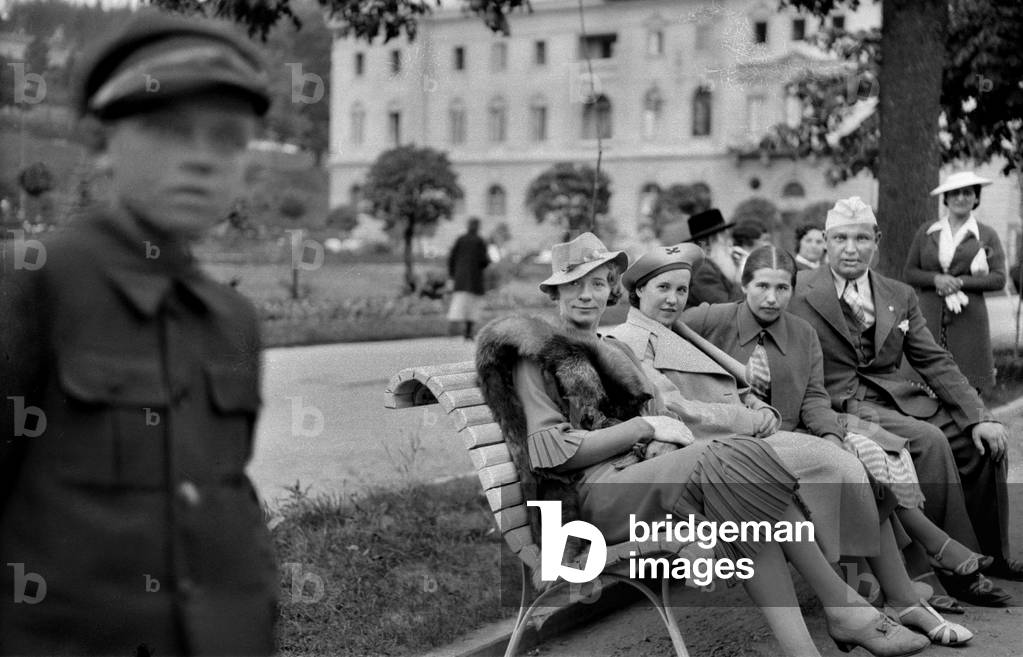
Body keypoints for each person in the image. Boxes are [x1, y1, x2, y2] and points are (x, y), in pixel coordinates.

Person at [475, 232, 928, 657]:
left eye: (597, 283)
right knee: (735, 459)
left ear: (612, 288)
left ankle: (811, 643)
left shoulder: (613, 351)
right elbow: (550, 451)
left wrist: (655, 438)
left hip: (640, 477)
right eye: (573, 286)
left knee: (748, 494)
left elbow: (659, 421)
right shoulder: (534, 355)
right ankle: (845, 611)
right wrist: (645, 431)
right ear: (554, 294)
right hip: (585, 501)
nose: (587, 295)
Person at [0, 12, 277, 655]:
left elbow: (221, 491)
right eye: (168, 129)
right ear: (100, 144)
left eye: (230, 139)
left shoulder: (231, 320)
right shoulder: (31, 286)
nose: (203, 160)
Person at [606, 244, 971, 647]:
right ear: (638, 291)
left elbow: (737, 388)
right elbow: (669, 406)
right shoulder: (629, 339)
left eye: (681, 289)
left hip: (742, 440)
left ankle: (893, 597)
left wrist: (759, 409)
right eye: (663, 288)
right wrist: (753, 418)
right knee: (837, 466)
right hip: (712, 450)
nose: (674, 299)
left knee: (850, 465)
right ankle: (880, 599)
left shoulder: (681, 331)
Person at [685, 244, 999, 619]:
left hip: (796, 434)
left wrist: (832, 438)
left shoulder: (801, 333)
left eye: (782, 288)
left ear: (792, 289)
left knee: (864, 455)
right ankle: (925, 554)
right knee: (848, 469)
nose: (772, 298)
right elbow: (661, 321)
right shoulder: (712, 319)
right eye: (762, 286)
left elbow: (815, 398)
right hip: (740, 445)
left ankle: (881, 578)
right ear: (744, 284)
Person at [787, 196, 1022, 600]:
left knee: (978, 440)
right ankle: (954, 569)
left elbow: (933, 360)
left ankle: (991, 555)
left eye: (861, 238)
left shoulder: (898, 293)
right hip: (838, 407)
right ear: (825, 241)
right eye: (840, 238)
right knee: (929, 441)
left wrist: (980, 414)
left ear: (876, 241)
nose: (850, 248)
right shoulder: (797, 291)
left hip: (895, 399)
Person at [903, 171, 1007, 393]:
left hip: (969, 321)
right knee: (924, 385)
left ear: (976, 198)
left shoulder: (986, 235)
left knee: (966, 387)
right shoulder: (927, 232)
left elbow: (999, 278)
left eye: (968, 193)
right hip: (929, 315)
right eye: (955, 193)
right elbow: (910, 272)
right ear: (946, 199)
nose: (961, 198)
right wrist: (936, 279)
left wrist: (960, 282)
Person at [684, 208, 742, 307]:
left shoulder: (712, 264)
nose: (729, 241)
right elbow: (727, 310)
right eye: (724, 235)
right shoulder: (702, 270)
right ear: (712, 240)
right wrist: (738, 279)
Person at [446, 216, 491, 340]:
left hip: (460, 279)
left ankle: (451, 331)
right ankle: (468, 332)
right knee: (472, 306)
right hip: (475, 280)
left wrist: (452, 274)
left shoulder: (460, 240)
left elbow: (451, 258)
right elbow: (484, 260)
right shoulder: (479, 241)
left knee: (458, 304)